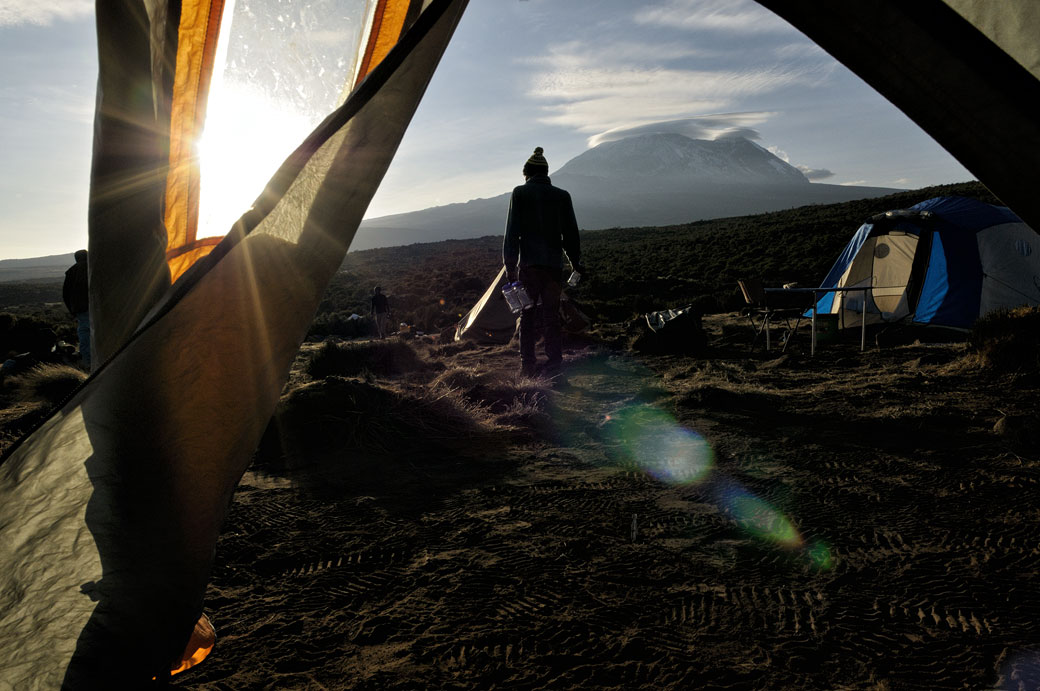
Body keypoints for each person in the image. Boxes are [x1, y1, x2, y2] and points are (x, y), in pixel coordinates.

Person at [503, 147, 584, 379]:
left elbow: (512, 235)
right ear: (547, 172)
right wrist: (575, 262)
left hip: (529, 267)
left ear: (527, 173)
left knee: (526, 318)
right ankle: (555, 365)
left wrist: (510, 267)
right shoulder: (562, 196)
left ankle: (527, 366)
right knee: (552, 317)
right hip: (553, 268)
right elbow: (570, 235)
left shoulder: (519, 193)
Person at [63, 249, 91, 369]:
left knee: (84, 335)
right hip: (93, 307)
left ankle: (88, 363)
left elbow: (66, 294)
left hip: (79, 309)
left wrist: (72, 310)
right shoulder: (92, 267)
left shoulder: (71, 272)